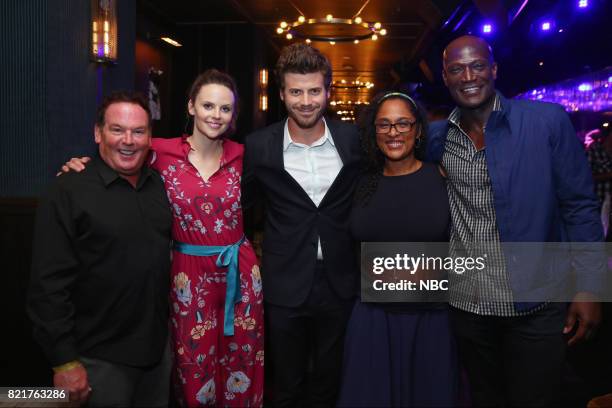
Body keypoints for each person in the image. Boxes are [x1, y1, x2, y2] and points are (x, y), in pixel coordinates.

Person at [59, 69, 264, 407]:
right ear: (191, 107)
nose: (216, 115)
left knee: (242, 361)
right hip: (187, 272)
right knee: (192, 365)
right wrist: (80, 164)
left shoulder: (246, 156)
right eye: (208, 105)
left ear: (233, 115)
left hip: (240, 275)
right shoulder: (159, 151)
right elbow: (120, 149)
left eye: (225, 109)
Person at [427, 35, 604, 406]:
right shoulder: (437, 138)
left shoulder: (546, 122)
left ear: (494, 69)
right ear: (445, 77)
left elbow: (579, 207)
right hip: (468, 305)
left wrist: (590, 287)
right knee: (485, 398)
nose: (468, 76)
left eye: (477, 65)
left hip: (535, 303)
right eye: (456, 69)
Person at [28, 91, 173, 407]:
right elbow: (47, 287)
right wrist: (64, 361)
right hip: (97, 361)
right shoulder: (68, 191)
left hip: (157, 357)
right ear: (98, 133)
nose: (129, 140)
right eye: (117, 129)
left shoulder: (159, 186)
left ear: (150, 137)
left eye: (138, 131)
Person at [242, 43, 360, 406]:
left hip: (341, 281)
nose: (305, 101)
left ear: (328, 90)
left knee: (331, 378)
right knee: (287, 383)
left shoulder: (354, 140)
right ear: (281, 94)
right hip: (285, 280)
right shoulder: (259, 146)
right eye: (296, 91)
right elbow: (241, 207)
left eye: (313, 91)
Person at [337, 91, 458, 407]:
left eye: (403, 123)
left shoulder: (442, 179)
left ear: (418, 129)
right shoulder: (359, 184)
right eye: (384, 124)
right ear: (373, 131)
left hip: (430, 323)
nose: (393, 132)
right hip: (372, 323)